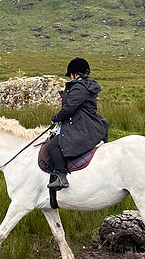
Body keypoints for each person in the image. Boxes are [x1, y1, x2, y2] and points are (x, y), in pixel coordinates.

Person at [46, 57, 109, 191]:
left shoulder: (79, 88)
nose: (70, 78)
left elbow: (70, 108)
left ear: (75, 74)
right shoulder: (86, 86)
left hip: (82, 125)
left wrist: (56, 117)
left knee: (53, 145)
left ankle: (61, 177)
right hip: (88, 123)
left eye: (70, 75)